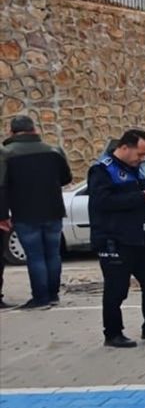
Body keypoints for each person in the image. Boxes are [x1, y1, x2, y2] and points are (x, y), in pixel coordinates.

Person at [88, 129, 145, 348]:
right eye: (139, 154)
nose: (142, 159)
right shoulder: (102, 170)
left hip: (141, 238)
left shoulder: (134, 169)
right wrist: (140, 197)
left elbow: (133, 197)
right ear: (125, 147)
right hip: (115, 239)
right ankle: (113, 333)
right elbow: (103, 202)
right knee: (117, 289)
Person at [0, 116, 73, 309]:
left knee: (35, 256)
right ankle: (53, 295)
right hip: (54, 210)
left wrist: (2, 215)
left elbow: (2, 186)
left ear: (12, 132)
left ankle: (40, 298)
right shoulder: (54, 151)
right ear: (34, 129)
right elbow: (66, 178)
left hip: (25, 212)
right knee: (53, 254)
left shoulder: (6, 154)